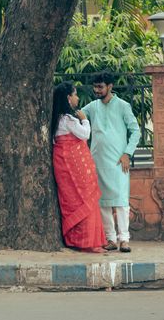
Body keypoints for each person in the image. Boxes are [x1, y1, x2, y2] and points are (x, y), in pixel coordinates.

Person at [82, 70, 140, 253]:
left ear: (110, 87)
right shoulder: (92, 107)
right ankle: (110, 239)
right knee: (103, 203)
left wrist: (127, 153)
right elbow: (78, 117)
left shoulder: (123, 106)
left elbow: (136, 131)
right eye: (95, 87)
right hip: (97, 161)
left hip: (118, 161)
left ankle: (124, 239)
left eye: (100, 87)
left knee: (121, 201)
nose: (97, 90)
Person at [51, 82, 106, 253]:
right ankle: (89, 242)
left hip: (62, 164)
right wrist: (84, 119)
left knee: (73, 201)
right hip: (73, 165)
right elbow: (85, 134)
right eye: (74, 95)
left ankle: (77, 240)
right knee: (85, 199)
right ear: (68, 98)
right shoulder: (68, 119)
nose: (76, 98)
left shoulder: (56, 119)